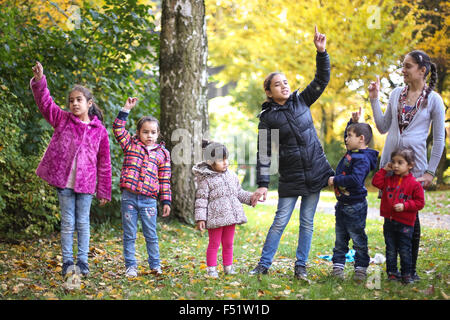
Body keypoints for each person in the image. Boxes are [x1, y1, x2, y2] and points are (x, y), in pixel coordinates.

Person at [249, 26, 334, 279]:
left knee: (307, 223)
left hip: (315, 173)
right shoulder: (268, 117)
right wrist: (263, 184)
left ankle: (301, 267)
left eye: (285, 82)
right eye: (277, 84)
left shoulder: (301, 100)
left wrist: (321, 52)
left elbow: (321, 80)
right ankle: (263, 265)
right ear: (269, 92)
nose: (284, 86)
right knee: (280, 221)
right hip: (291, 177)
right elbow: (264, 152)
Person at [368, 50, 445, 281]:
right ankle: (393, 270)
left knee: (411, 216)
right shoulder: (395, 94)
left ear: (422, 71)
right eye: (403, 65)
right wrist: (374, 98)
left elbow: (439, 138)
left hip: (416, 167)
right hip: (391, 166)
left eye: (407, 66)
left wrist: (431, 172)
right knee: (392, 215)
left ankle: (409, 271)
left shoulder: (434, 100)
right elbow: (382, 127)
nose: (403, 70)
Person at [30, 61, 112, 277]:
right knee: (67, 222)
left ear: (89, 103)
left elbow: (105, 162)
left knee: (83, 223)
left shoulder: (99, 131)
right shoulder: (63, 120)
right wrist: (40, 82)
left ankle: (83, 262)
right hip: (64, 183)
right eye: (71, 101)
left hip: (86, 185)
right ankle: (67, 262)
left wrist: (104, 190)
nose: (74, 104)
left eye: (79, 100)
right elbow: (45, 104)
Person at [113, 97, 171, 278]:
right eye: (145, 132)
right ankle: (131, 266)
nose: (149, 135)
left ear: (158, 134)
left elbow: (165, 178)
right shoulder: (130, 145)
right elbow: (118, 130)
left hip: (149, 200)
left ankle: (155, 265)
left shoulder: (162, 154)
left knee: (151, 235)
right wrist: (126, 109)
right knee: (129, 234)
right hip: (129, 198)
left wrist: (166, 200)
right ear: (138, 132)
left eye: (153, 132)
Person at [328, 108, 378, 281]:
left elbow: (356, 180)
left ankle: (360, 268)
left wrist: (336, 180)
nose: (346, 139)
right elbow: (347, 138)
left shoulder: (362, 159)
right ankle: (338, 267)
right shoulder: (353, 152)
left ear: (361, 139)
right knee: (340, 239)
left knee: (358, 239)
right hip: (342, 205)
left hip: (355, 207)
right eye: (347, 135)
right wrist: (352, 122)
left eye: (350, 135)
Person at [193, 140, 255, 278]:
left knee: (228, 243)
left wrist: (251, 198)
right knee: (214, 244)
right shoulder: (205, 180)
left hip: (230, 217)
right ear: (210, 162)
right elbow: (201, 200)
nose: (225, 162)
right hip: (215, 218)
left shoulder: (232, 175)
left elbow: (239, 193)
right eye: (221, 160)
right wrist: (200, 218)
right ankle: (211, 270)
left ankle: (228, 267)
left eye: (226, 159)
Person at [372, 147, 425, 284]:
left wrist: (405, 206)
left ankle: (406, 274)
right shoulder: (389, 180)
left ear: (410, 165)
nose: (395, 165)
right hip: (389, 222)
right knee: (390, 249)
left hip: (406, 224)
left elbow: (420, 203)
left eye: (400, 162)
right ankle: (392, 273)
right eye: (393, 162)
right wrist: (384, 169)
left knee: (404, 249)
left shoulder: (414, 184)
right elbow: (375, 182)